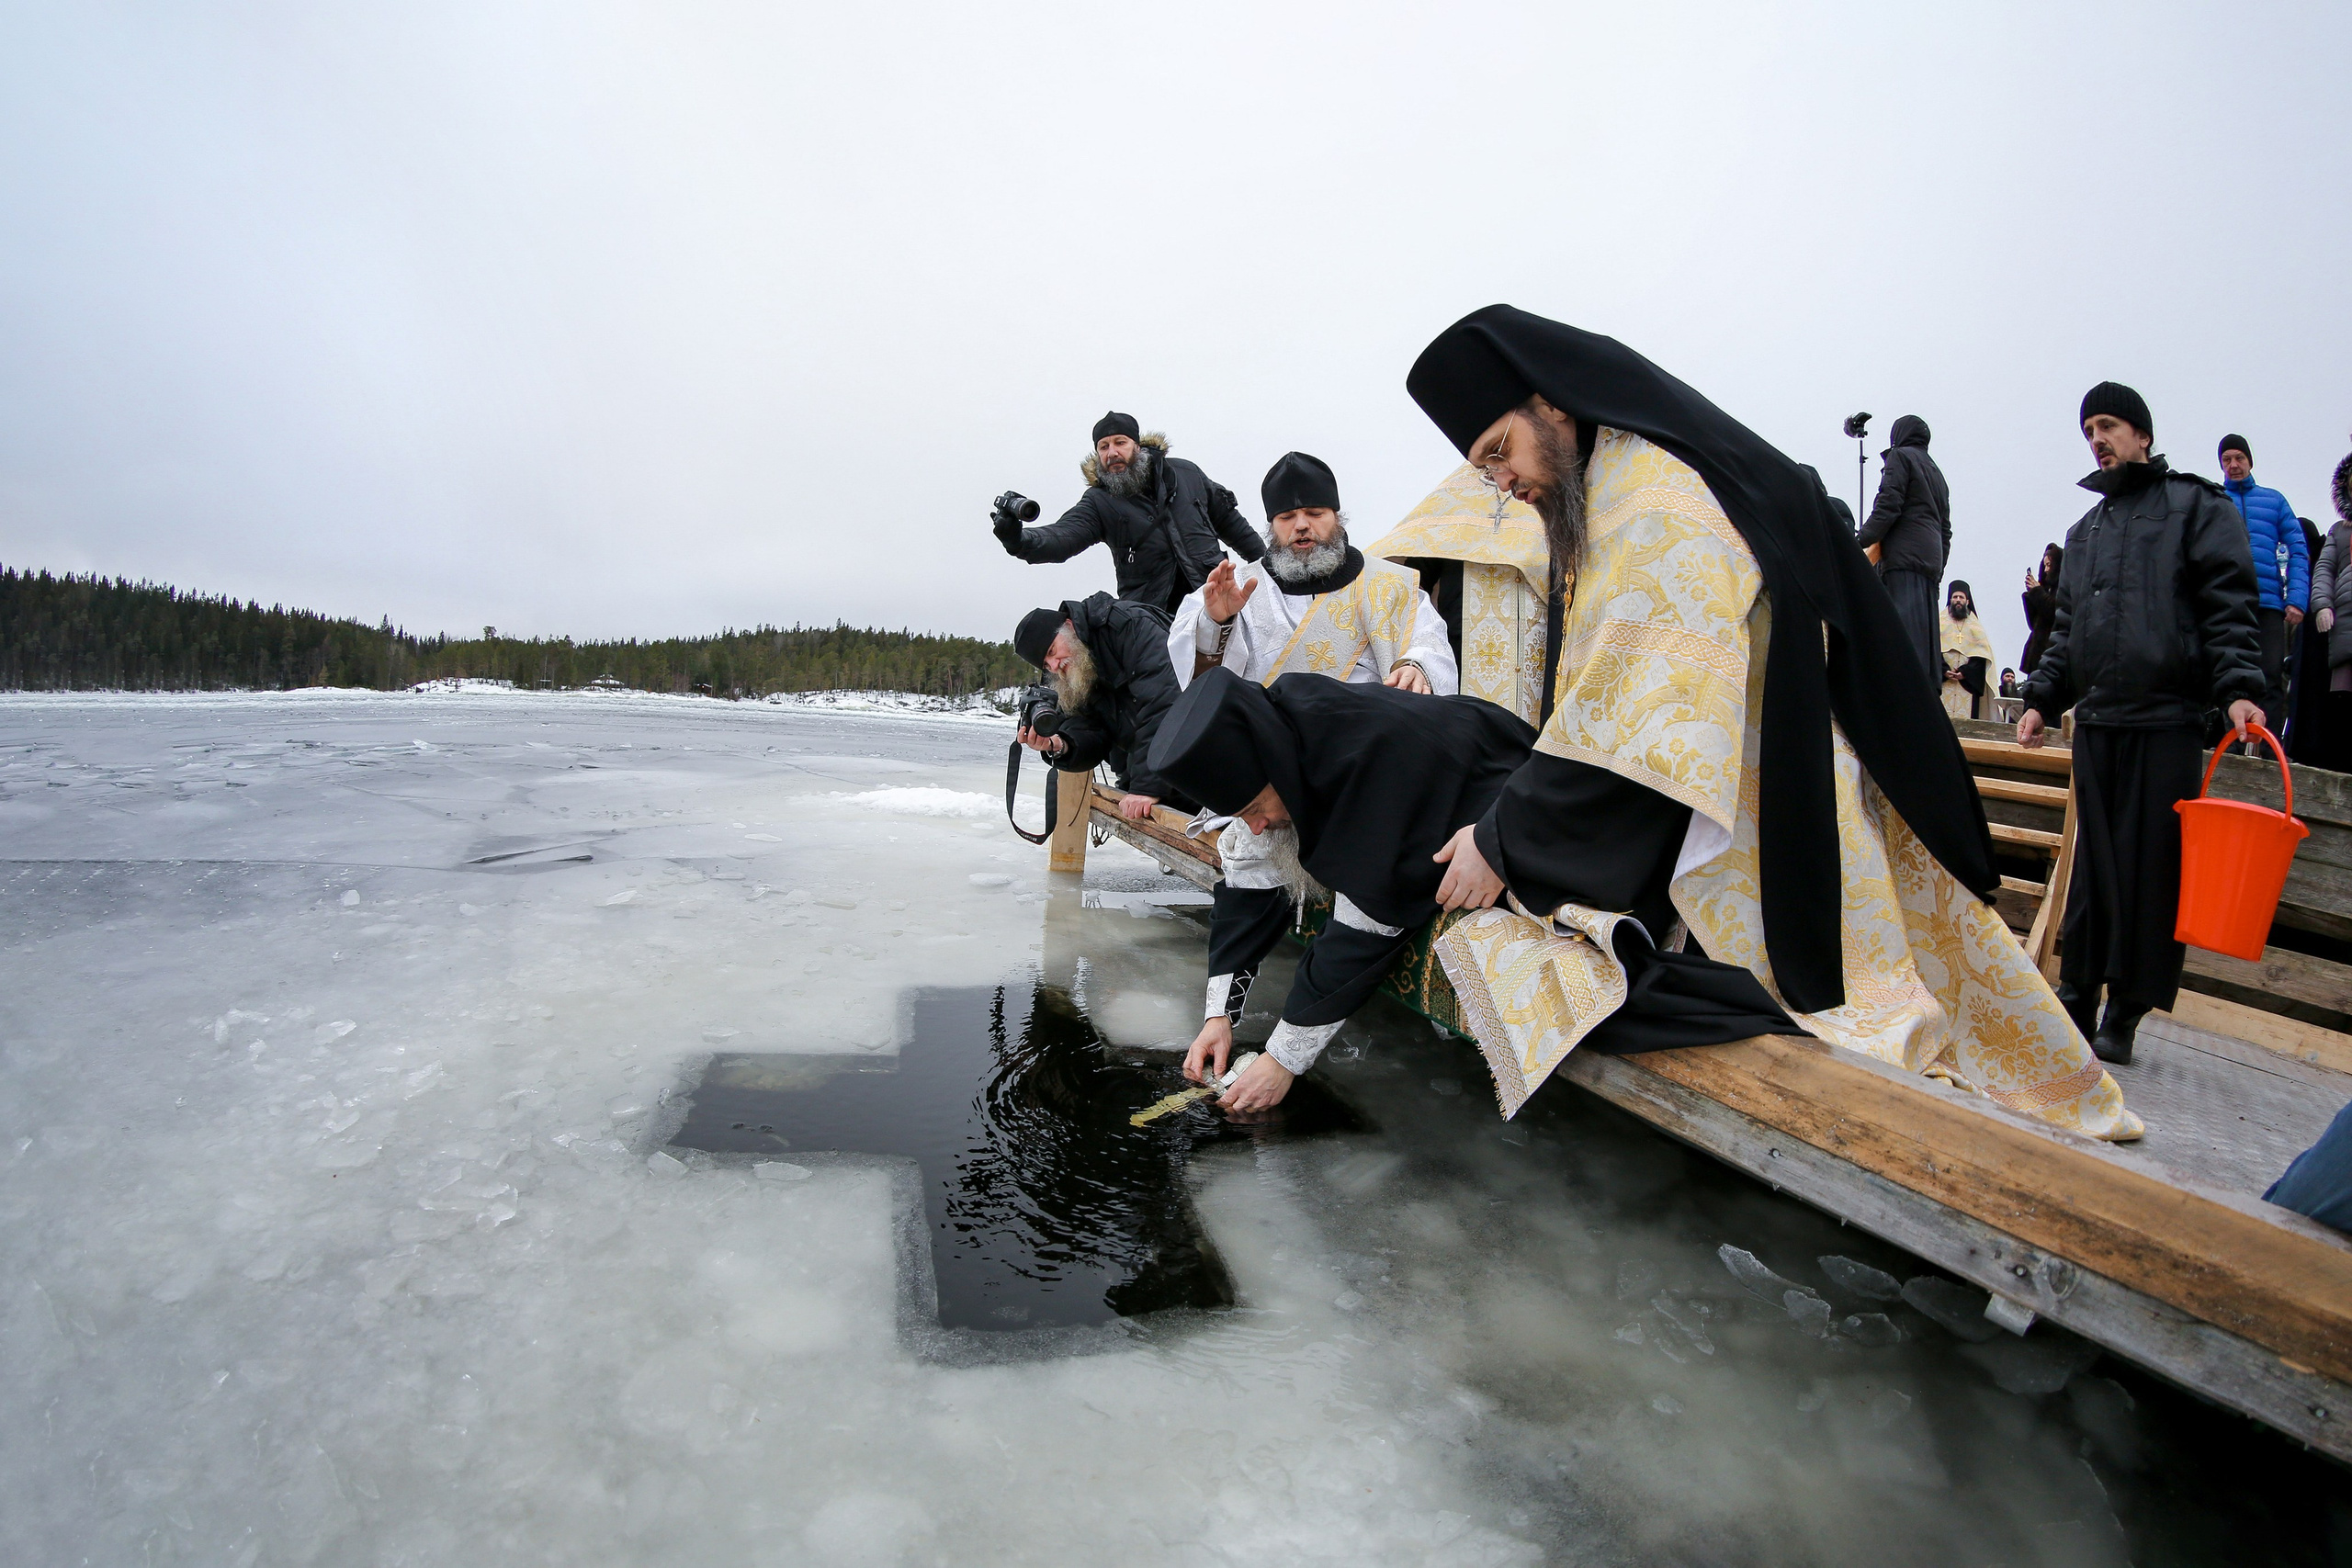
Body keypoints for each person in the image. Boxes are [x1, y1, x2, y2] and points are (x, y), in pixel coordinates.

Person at [1393, 305, 2138, 1139]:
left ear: (1554, 407)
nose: (1502, 481)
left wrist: (1504, 839)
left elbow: (1632, 716)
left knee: (1858, 1009)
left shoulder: (1653, 497)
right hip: (1755, 780)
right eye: (1484, 469)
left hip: (1771, 797)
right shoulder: (1615, 483)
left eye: (1501, 450)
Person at [1164, 452, 1459, 1076]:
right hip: (1272, 787)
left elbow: (1427, 646)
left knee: (1366, 894)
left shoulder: (1387, 584)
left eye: (1315, 513)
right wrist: (1216, 624)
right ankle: (1220, 1014)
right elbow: (1210, 698)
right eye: (1288, 516)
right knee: (1246, 858)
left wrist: (1415, 668)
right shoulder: (1239, 585)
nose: (1302, 527)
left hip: (1359, 786)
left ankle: (1290, 1052)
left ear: (1337, 516)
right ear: (1272, 525)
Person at [2018, 386, 2265, 1066]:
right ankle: (2077, 991)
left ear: (2142, 435)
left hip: (2169, 717)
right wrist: (2040, 698)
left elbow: (2228, 603)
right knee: (2094, 868)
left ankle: (2126, 1009)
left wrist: (2240, 689)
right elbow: (2065, 632)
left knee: (2154, 867)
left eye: (2110, 426)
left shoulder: (2195, 505)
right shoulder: (2084, 531)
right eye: (2089, 429)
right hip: (2099, 717)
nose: (2098, 438)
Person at [992, 412, 1265, 614]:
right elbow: (1063, 537)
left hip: (1215, 598)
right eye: (1103, 446)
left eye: (1119, 442)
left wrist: (1269, 567)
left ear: (1137, 445)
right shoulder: (1099, 501)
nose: (1112, 453)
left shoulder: (1186, 474)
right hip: (1152, 616)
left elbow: (1231, 524)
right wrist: (1018, 540)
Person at [1012, 594, 1187, 823]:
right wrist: (1060, 745)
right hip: (1147, 775)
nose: (1054, 666)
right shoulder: (1072, 667)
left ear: (1068, 626)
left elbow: (1164, 703)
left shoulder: (1127, 624)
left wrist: (1146, 787)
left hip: (1197, 757)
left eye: (1052, 651)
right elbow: (1090, 731)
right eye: (1046, 664)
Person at [2217, 434, 2309, 749]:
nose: (2233, 465)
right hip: (2227, 605)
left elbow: (2298, 548)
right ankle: (2231, 751)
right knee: (2229, 677)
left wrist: (2296, 598)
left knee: (2270, 679)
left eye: (2239, 458)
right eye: (2227, 460)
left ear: (2250, 462)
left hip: (2269, 604)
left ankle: (2268, 753)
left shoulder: (2274, 500)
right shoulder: (2216, 501)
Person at [1857, 414, 1953, 692]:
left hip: (1902, 557)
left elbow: (1888, 504)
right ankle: (1924, 698)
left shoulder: (1900, 457)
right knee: (1925, 647)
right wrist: (1939, 566)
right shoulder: (1938, 475)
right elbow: (1945, 529)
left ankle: (1900, 697)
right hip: (1930, 562)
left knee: (1899, 640)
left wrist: (1859, 540)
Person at [2308, 461, 2352, 772]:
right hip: (2346, 625)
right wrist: (2322, 604)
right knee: (2344, 703)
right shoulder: (2339, 532)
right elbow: (2324, 569)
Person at [1939, 581, 1999, 721]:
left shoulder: (1976, 627)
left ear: (1967, 601)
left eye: (1961, 597)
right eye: (1955, 597)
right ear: (1950, 600)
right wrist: (1942, 670)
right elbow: (1932, 652)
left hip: (1967, 685)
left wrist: (1965, 673)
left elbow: (1981, 658)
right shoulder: (1939, 623)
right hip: (1943, 683)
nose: (1958, 600)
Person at [2021, 543, 2064, 675]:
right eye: (2044, 565)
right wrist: (2031, 595)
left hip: (2052, 655)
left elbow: (2054, 613)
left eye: (2049, 565)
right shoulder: (2046, 590)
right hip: (2038, 655)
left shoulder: (2063, 589)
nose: (2046, 570)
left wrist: (2037, 592)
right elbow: (2033, 624)